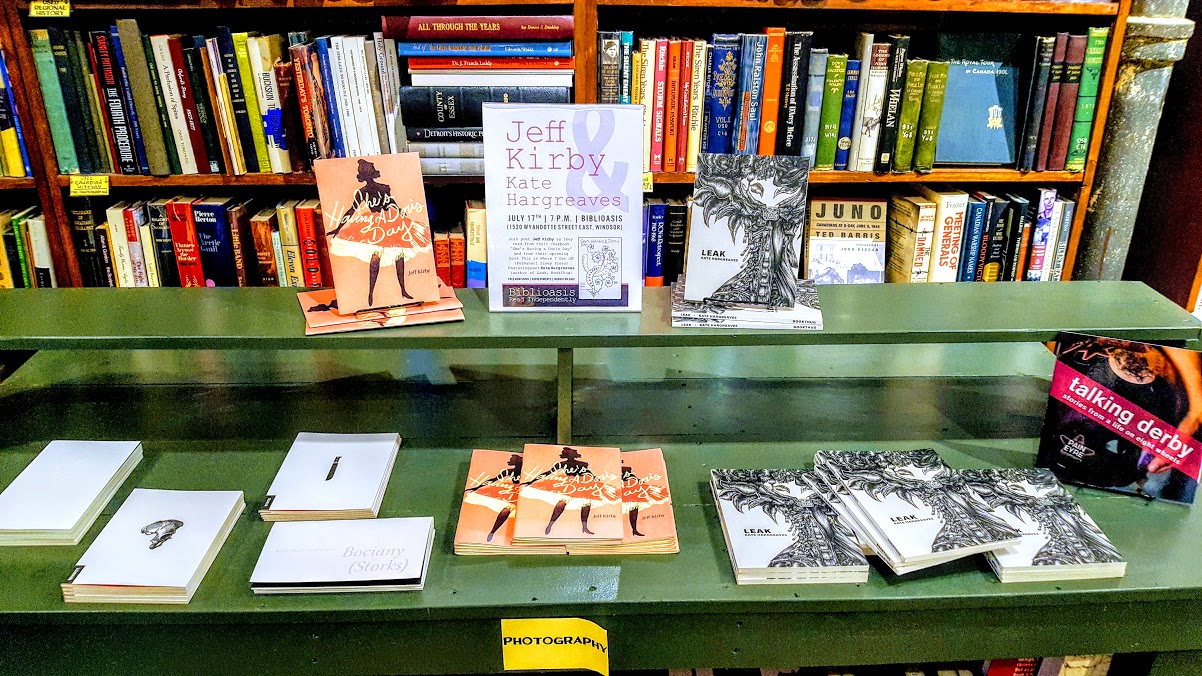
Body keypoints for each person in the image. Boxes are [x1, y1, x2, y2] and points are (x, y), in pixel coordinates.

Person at [327, 158, 431, 307]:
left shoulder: (384, 188)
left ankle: (402, 290)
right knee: (375, 258)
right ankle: (371, 293)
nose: (368, 177)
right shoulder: (362, 192)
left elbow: (391, 202)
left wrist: (400, 212)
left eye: (369, 173)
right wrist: (338, 228)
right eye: (366, 174)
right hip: (375, 224)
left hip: (390, 220)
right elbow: (352, 210)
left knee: (399, 254)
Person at [520, 447, 618, 536]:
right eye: (568, 454)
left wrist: (594, 478)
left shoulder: (582, 464)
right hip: (568, 484)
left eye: (571, 454)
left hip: (582, 484)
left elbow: (587, 472)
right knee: (561, 503)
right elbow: (547, 473)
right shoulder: (561, 464)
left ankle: (584, 527)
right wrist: (532, 481)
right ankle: (550, 524)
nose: (570, 456)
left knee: (587, 503)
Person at [464, 454, 523, 543]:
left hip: (523, 494)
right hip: (513, 494)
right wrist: (477, 487)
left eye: (512, 460)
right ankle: (492, 532)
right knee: (505, 511)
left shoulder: (525, 470)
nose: (510, 461)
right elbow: (493, 480)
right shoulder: (508, 472)